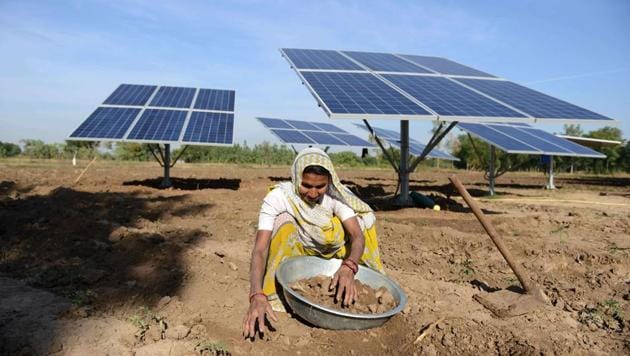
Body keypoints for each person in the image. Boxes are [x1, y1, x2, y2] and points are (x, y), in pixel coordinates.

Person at [242, 147, 384, 338]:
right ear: (295, 178)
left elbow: (357, 236)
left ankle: (362, 280)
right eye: (307, 185)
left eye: (320, 186)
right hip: (300, 251)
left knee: (358, 222)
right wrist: (256, 294)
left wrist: (349, 266)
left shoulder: (335, 196)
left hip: (336, 252)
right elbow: (260, 249)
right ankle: (274, 291)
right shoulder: (279, 198)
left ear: (329, 182)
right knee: (282, 221)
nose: (313, 193)